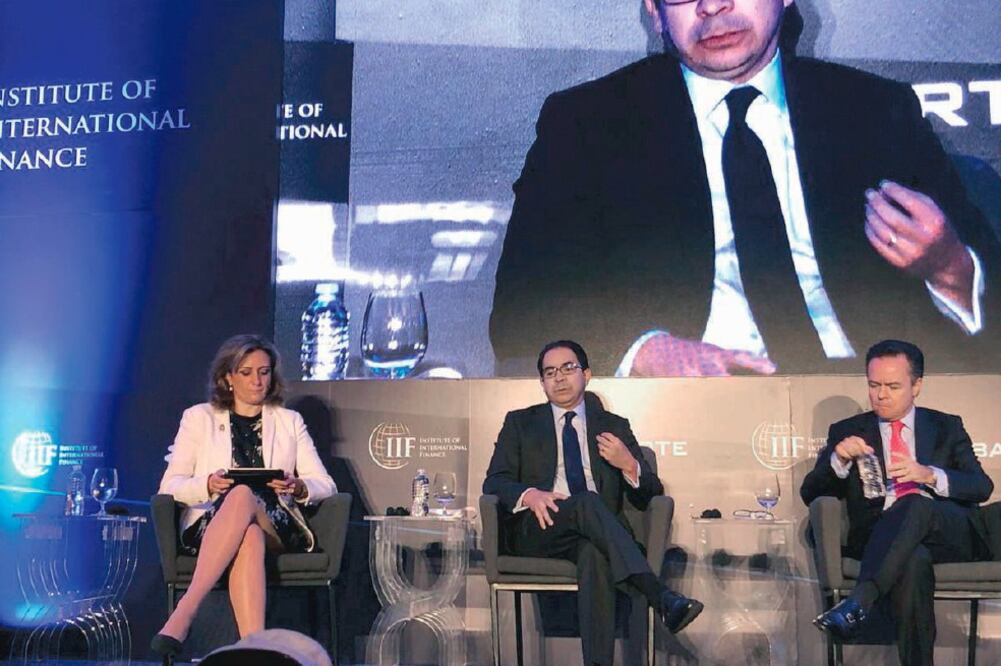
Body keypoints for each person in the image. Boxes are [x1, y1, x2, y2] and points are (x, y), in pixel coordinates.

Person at [490, 0, 1001, 377]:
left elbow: (988, 295)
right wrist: (645, 351)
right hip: (682, 415)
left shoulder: (876, 111)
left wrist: (950, 267)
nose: (712, 6)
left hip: (868, 400)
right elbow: (521, 312)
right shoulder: (585, 125)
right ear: (653, 10)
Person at [483, 339, 702, 666]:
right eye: (549, 372)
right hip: (539, 527)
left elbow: (651, 492)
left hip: (595, 534)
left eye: (567, 368)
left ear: (586, 374)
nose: (559, 377)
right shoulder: (520, 422)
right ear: (542, 382)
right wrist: (530, 494)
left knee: (594, 553)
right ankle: (659, 595)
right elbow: (495, 481)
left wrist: (629, 464)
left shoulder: (614, 426)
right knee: (586, 502)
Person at [801, 339, 993, 666]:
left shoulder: (946, 426)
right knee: (913, 560)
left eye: (892, 386)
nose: (881, 395)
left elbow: (981, 486)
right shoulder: (848, 431)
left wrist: (929, 475)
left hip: (945, 532)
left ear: (916, 386)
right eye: (873, 385)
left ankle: (859, 602)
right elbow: (810, 493)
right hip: (882, 538)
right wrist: (839, 460)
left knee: (915, 502)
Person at [150, 334, 336, 663]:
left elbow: (326, 485)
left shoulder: (289, 421)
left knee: (242, 496)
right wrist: (208, 484)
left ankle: (185, 610)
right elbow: (171, 486)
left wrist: (298, 487)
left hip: (277, 524)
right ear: (228, 378)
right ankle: (256, 650)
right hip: (213, 524)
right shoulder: (198, 418)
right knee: (247, 531)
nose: (257, 381)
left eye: (264, 372)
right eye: (247, 372)